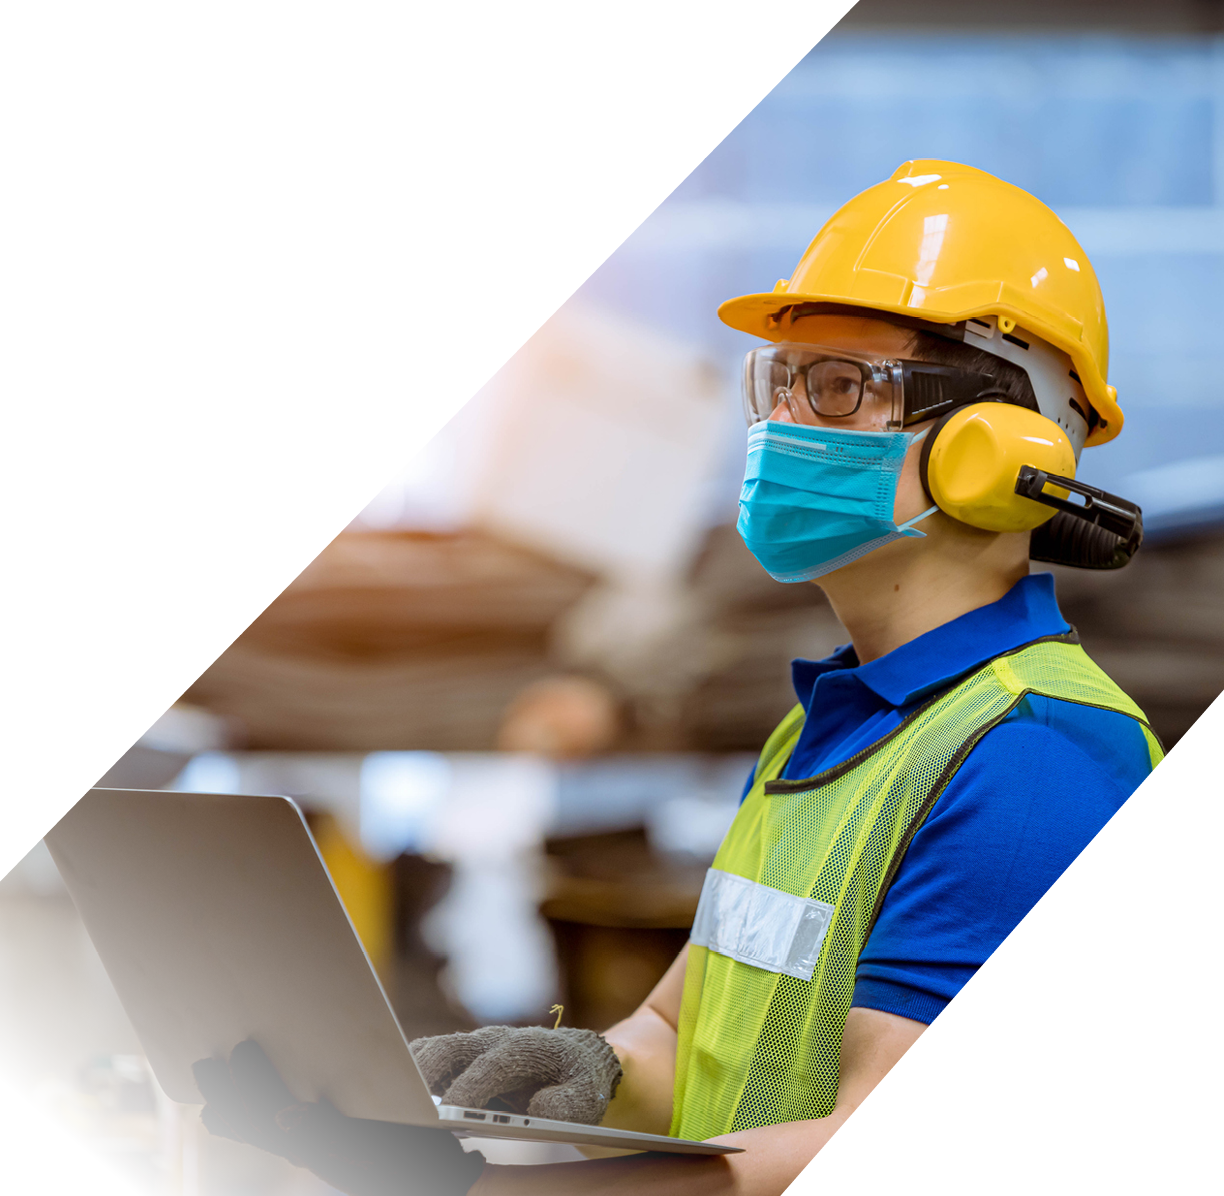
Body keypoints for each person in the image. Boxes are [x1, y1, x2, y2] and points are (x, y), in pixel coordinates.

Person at [193, 161, 1161, 1195]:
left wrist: (474, 1191)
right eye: (776, 381)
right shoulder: (824, 728)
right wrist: (584, 1067)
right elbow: (677, 1031)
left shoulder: (1034, 757)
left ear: (996, 449)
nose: (780, 424)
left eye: (835, 386)